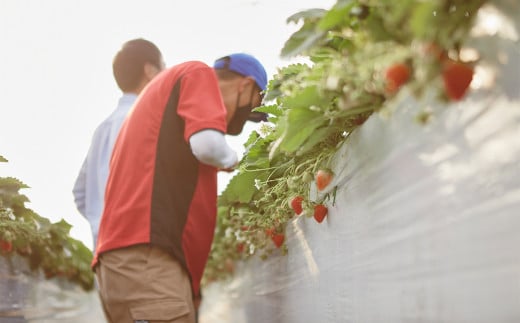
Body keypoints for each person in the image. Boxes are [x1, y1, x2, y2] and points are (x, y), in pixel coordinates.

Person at [92, 53, 268, 323]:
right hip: (147, 263)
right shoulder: (198, 74)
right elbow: (209, 145)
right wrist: (235, 161)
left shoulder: (166, 110)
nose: (243, 121)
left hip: (139, 264)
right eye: (250, 108)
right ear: (245, 85)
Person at [72, 38, 165, 249]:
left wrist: (101, 220)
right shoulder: (147, 121)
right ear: (149, 70)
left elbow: (80, 193)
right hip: (141, 249)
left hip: (104, 250)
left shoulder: (102, 129)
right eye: (163, 67)